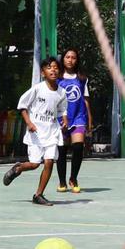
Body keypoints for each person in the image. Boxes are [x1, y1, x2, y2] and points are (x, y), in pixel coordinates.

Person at [3, 57, 68, 206]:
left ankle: (38, 195)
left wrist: (64, 118)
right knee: (34, 164)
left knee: (49, 161)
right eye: (49, 67)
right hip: (37, 132)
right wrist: (29, 122)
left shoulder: (62, 93)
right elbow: (23, 105)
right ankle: (18, 168)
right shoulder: (38, 89)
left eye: (56, 67)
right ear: (43, 72)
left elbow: (62, 109)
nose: (53, 70)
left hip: (52, 132)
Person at [56, 47, 92, 193]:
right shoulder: (57, 77)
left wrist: (90, 119)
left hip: (78, 116)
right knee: (62, 150)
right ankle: (62, 181)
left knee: (78, 147)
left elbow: (86, 99)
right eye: (67, 57)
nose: (70, 60)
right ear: (63, 59)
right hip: (61, 117)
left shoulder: (82, 78)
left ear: (77, 60)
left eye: (73, 57)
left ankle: (73, 178)